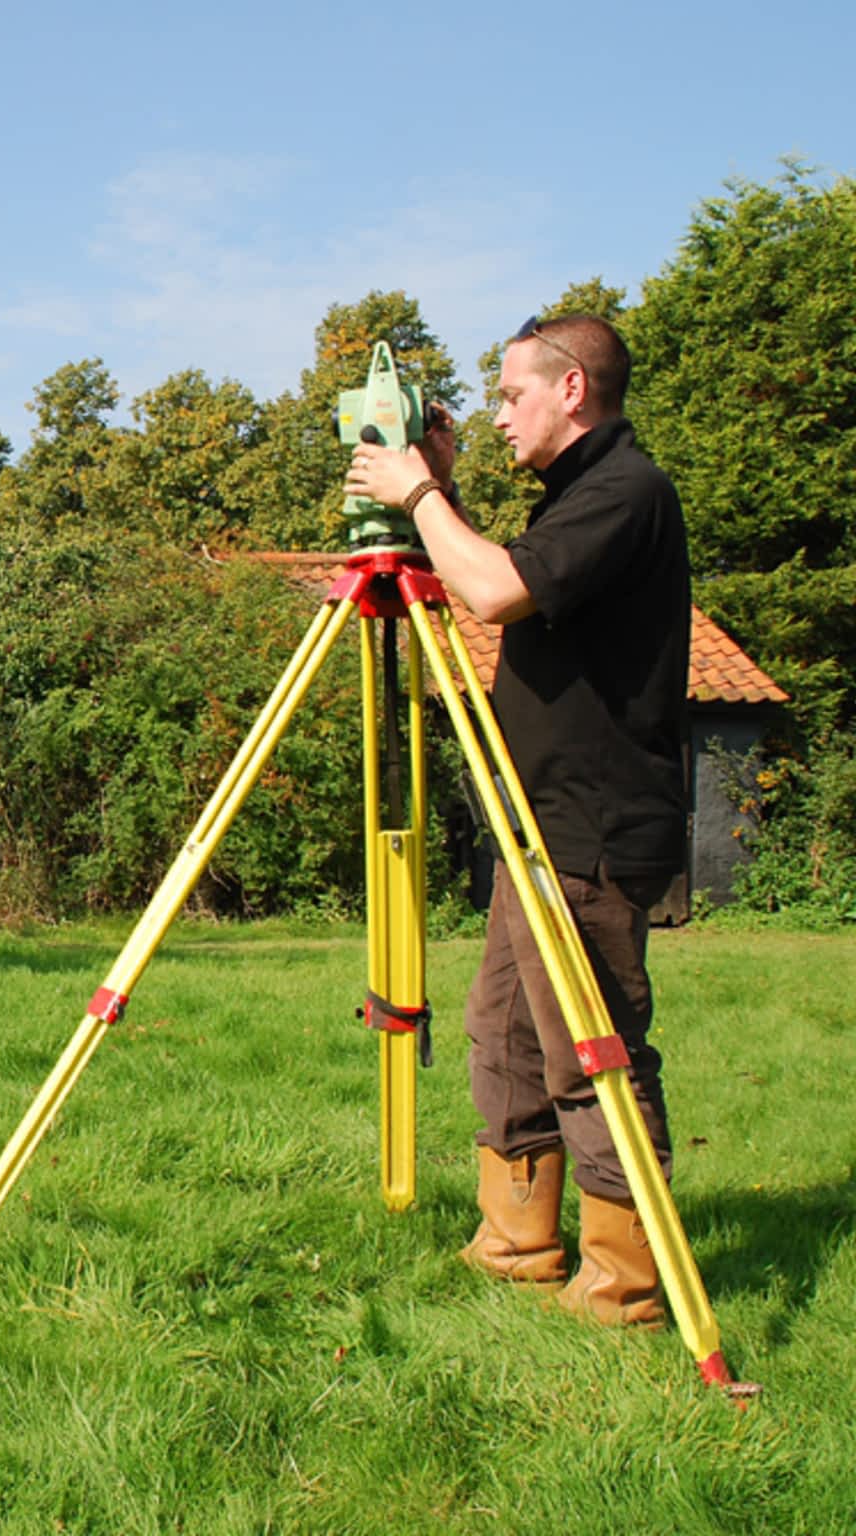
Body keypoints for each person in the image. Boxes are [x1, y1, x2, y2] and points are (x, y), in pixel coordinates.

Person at [344, 314, 690, 1327]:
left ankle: (623, 1283)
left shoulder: (627, 493)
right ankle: (515, 1242)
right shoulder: (575, 498)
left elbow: (491, 589)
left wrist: (411, 491)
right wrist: (439, 490)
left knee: (587, 1049)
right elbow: (490, 572)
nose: (496, 414)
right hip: (530, 821)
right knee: (500, 1034)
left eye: (509, 395)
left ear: (571, 389)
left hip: (587, 829)